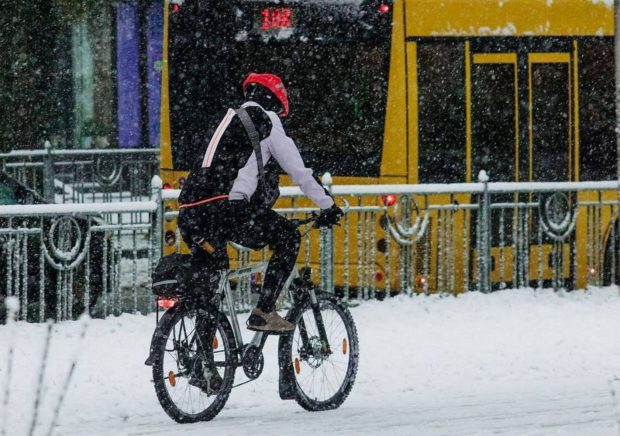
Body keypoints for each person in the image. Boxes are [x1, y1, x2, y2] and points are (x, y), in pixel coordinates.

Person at [178, 73, 343, 335]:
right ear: (274, 101)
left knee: (211, 286)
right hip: (227, 210)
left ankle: (202, 366)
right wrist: (328, 205)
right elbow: (299, 172)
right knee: (288, 237)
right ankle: (264, 310)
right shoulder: (266, 120)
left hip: (190, 212)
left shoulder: (224, 119)